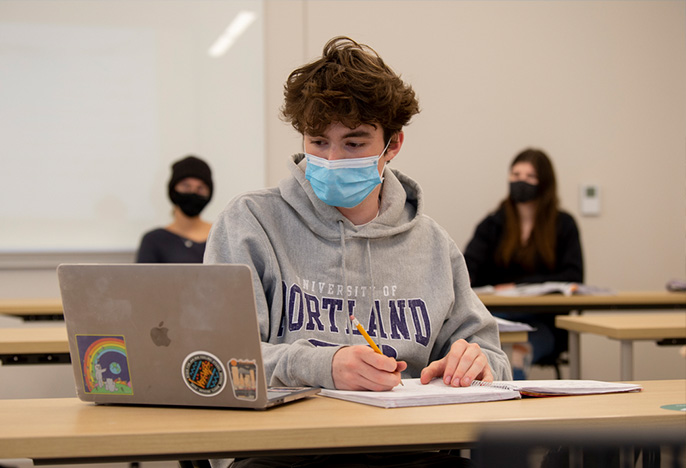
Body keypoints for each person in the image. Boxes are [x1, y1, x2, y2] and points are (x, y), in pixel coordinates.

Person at [205, 36, 511, 467]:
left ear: (393, 145)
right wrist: (322, 366)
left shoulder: (433, 245)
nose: (331, 159)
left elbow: (493, 359)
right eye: (317, 142)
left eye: (353, 144)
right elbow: (218, 357)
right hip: (286, 451)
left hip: (408, 452)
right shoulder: (251, 223)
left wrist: (478, 364)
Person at [464, 148, 584, 379]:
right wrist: (463, 277)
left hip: (543, 321)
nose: (521, 182)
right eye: (516, 175)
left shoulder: (564, 225)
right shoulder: (492, 224)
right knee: (473, 349)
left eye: (530, 177)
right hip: (497, 317)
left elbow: (573, 277)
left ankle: (510, 409)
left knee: (515, 355)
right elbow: (469, 265)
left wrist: (518, 286)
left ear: (545, 183)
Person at [136, 155, 213, 263]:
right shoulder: (154, 240)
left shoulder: (221, 237)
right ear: (173, 190)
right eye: (186, 186)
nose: (193, 192)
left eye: (200, 188)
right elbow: (143, 279)